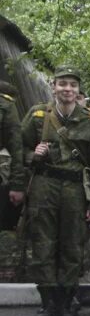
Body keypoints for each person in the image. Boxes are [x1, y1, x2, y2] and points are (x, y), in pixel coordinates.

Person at [12, 67, 90, 316]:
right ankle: (48, 304)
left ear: (78, 91)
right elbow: (18, 150)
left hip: (75, 191)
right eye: (63, 84)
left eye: (72, 85)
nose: (67, 89)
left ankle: (65, 304)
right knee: (43, 245)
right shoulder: (38, 115)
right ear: (53, 87)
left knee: (72, 246)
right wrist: (34, 155)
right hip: (45, 186)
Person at [0, 80, 22, 280]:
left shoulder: (5, 105)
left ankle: (5, 272)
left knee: (4, 225)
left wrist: (17, 184)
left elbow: (17, 148)